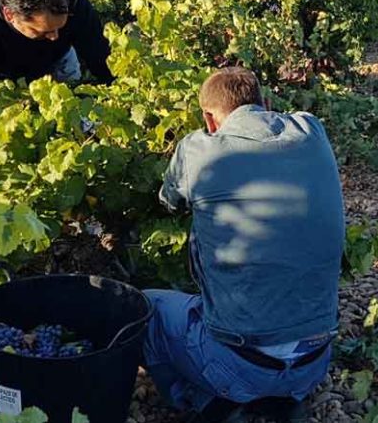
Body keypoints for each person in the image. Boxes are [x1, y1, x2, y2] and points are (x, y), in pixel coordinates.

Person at [143, 67, 345, 423]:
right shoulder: (312, 129)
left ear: (208, 118)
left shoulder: (197, 148)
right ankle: (278, 401)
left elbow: (169, 200)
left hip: (238, 366)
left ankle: (203, 402)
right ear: (265, 103)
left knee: (147, 307)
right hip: (315, 362)